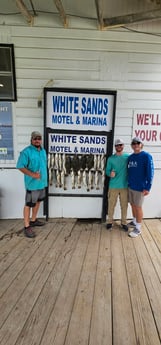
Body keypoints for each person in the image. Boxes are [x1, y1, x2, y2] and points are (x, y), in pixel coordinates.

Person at [16, 131, 48, 238]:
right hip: (32, 184)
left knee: (38, 202)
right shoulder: (26, 152)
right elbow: (20, 166)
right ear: (31, 139)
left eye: (39, 138)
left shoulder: (43, 151)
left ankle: (33, 220)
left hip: (42, 183)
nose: (37, 140)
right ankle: (26, 226)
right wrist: (33, 175)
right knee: (28, 204)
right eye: (35, 139)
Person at [127, 136, 154, 238]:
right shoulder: (130, 157)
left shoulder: (146, 156)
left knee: (138, 207)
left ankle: (138, 228)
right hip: (131, 186)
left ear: (141, 145)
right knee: (133, 205)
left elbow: (150, 173)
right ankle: (134, 222)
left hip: (140, 188)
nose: (135, 145)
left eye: (138, 143)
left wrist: (148, 187)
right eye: (133, 143)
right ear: (131, 146)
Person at [105, 138, 129, 231]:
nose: (119, 146)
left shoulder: (128, 157)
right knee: (111, 205)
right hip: (113, 186)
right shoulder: (111, 158)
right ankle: (110, 222)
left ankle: (123, 223)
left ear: (123, 146)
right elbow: (107, 171)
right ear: (115, 147)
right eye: (117, 145)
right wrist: (110, 173)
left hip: (125, 186)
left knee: (124, 206)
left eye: (120, 145)